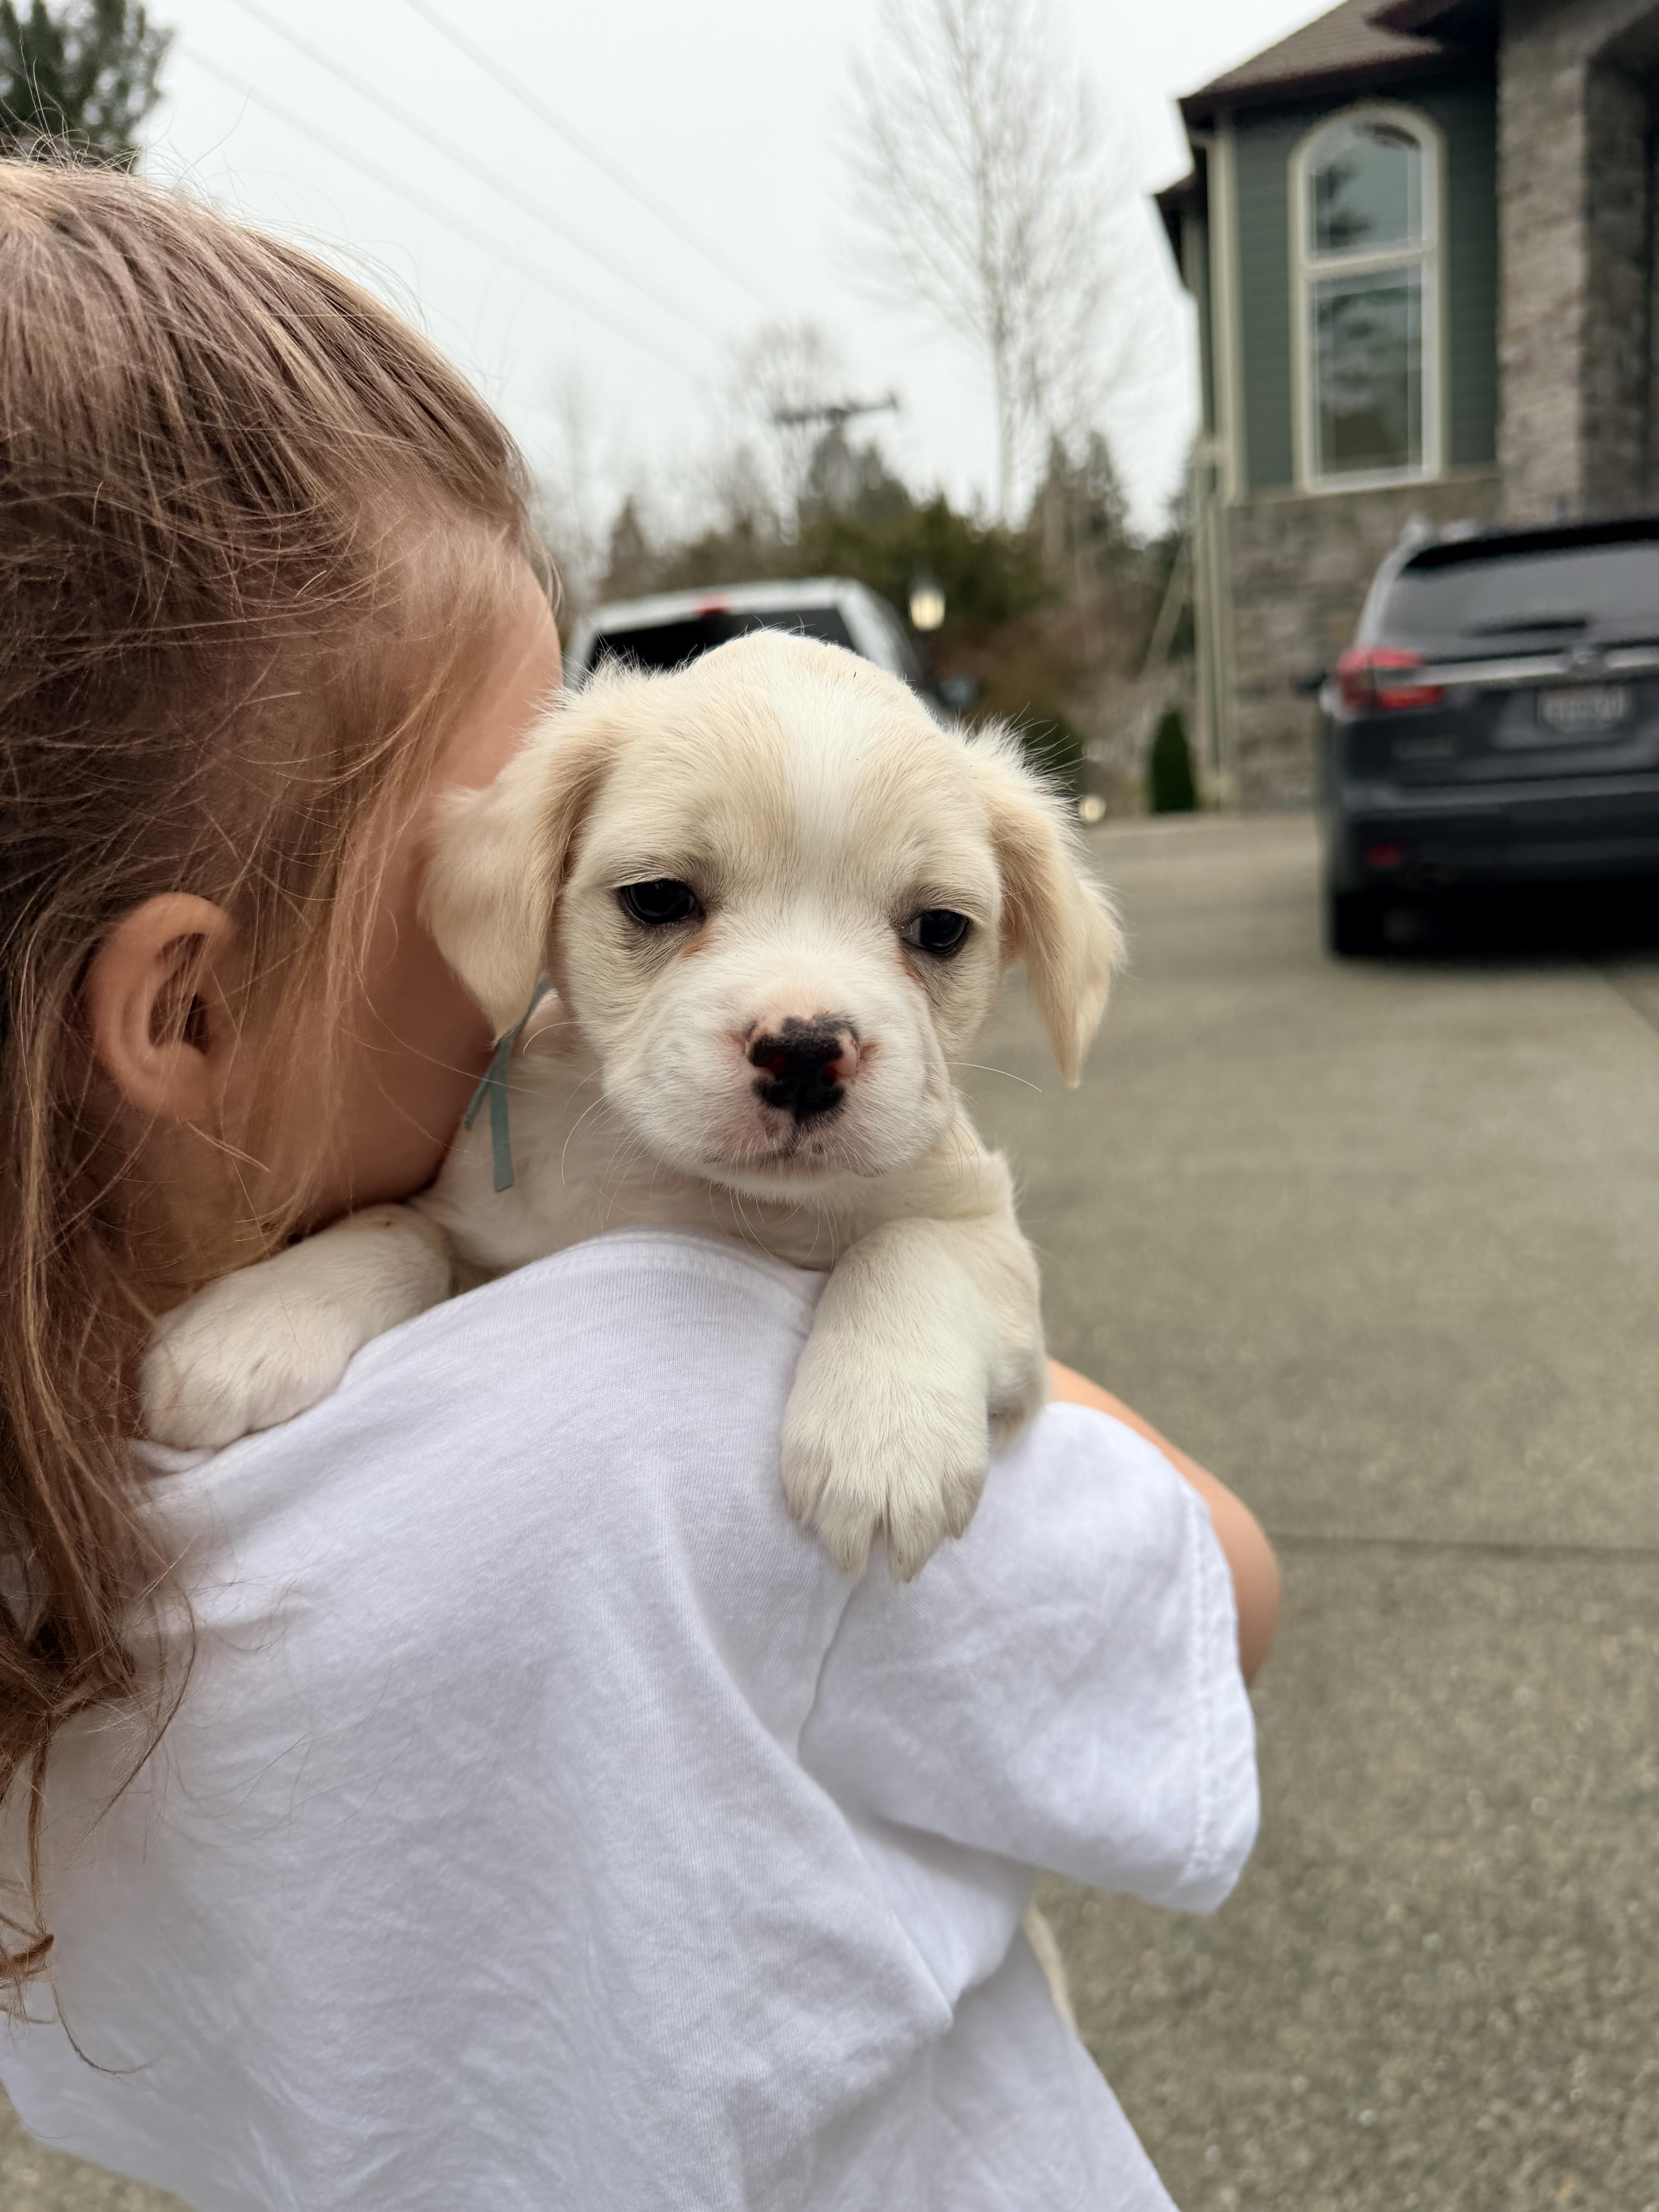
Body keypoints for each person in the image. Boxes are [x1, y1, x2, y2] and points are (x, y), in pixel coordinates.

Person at [0, 160, 1279, 2211]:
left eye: (929, 933)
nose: (802, 1011)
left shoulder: (54, 1535)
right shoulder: (663, 1420)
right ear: (187, 1007)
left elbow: (935, 1240)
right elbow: (1221, 1587)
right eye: (649, 903)